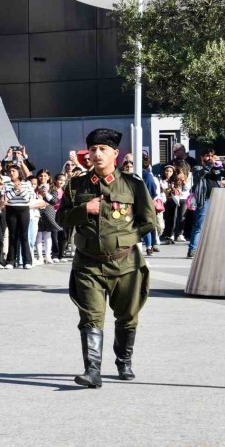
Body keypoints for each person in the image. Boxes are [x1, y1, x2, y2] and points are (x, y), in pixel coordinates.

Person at [57, 128, 157, 388]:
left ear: (115, 153)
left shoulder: (132, 184)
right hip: (88, 263)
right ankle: (92, 371)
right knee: (90, 317)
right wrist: (83, 210)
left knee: (127, 316)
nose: (96, 154)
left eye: (102, 149)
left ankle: (124, 360)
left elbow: (148, 222)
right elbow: (60, 218)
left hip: (126, 263)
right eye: (92, 149)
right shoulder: (76, 185)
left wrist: (125, 238)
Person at [187, 148, 225, 258]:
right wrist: (209, 165)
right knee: (199, 225)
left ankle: (215, 248)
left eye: (212, 156)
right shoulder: (197, 167)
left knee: (217, 224)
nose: (210, 158)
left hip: (217, 199)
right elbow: (199, 176)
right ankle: (192, 249)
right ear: (202, 157)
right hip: (204, 199)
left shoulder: (217, 167)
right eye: (207, 156)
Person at [4, 165, 35, 269]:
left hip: (23, 210)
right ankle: (11, 261)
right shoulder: (6, 183)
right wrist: (15, 190)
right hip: (11, 210)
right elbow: (6, 198)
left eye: (13, 171)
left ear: (19, 172)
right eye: (9, 171)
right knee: (12, 236)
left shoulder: (27, 183)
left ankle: (27, 261)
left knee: (24, 236)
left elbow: (28, 199)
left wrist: (21, 189)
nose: (11, 173)